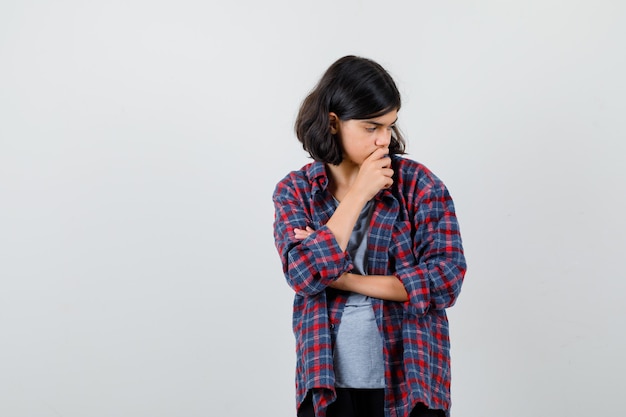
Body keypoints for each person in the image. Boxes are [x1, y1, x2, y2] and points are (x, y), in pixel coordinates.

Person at [272, 55, 467, 417]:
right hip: (326, 382)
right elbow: (302, 275)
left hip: (410, 380)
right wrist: (359, 193)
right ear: (333, 123)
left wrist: (344, 280)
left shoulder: (419, 185)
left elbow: (446, 280)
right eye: (371, 127)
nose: (384, 141)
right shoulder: (296, 191)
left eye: (390, 126)